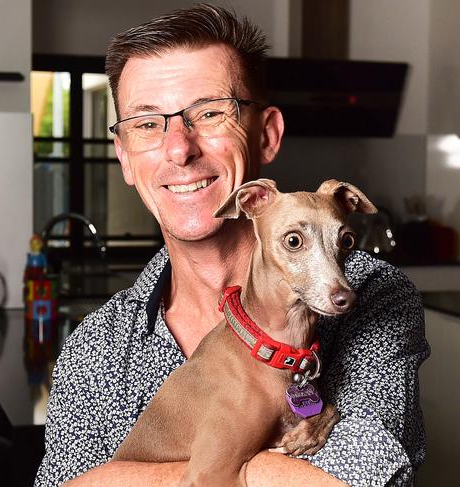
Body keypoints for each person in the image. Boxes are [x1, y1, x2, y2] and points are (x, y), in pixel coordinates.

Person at [35, 4, 429, 486]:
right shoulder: (96, 349)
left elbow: (363, 479)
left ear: (266, 136)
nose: (180, 149)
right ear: (124, 157)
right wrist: (257, 465)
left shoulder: (371, 295)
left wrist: (219, 467)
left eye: (210, 113)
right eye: (146, 124)